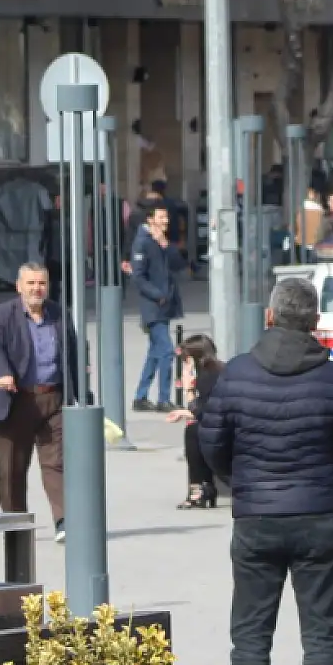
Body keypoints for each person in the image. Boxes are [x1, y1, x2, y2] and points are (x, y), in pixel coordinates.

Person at [198, 277, 333, 665]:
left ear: (270, 317)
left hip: (256, 518)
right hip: (318, 518)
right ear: (315, 322)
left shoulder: (236, 372)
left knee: (251, 634)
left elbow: (212, 442)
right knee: (320, 635)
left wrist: (240, 482)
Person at [0, 264, 74, 541]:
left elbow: (72, 348)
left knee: (56, 462)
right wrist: (3, 373)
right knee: (12, 467)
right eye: (31, 283)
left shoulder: (58, 313)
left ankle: (64, 522)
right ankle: (15, 523)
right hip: (17, 398)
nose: (37, 289)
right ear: (19, 286)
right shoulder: (3, 315)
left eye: (42, 283)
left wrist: (81, 389)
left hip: (53, 397)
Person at [130, 205, 183, 413]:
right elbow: (139, 277)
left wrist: (165, 244)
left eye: (167, 216)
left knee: (155, 353)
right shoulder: (142, 242)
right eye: (161, 217)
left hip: (165, 305)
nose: (165, 221)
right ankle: (163, 399)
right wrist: (157, 295)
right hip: (153, 307)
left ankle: (140, 397)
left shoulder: (160, 242)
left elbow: (178, 264)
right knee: (167, 351)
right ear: (150, 219)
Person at [164, 333, 223, 509]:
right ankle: (205, 487)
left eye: (186, 361)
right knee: (194, 428)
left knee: (193, 431)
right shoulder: (214, 371)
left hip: (229, 429)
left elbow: (207, 410)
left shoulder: (208, 376)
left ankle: (199, 489)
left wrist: (187, 408)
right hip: (229, 424)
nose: (184, 365)